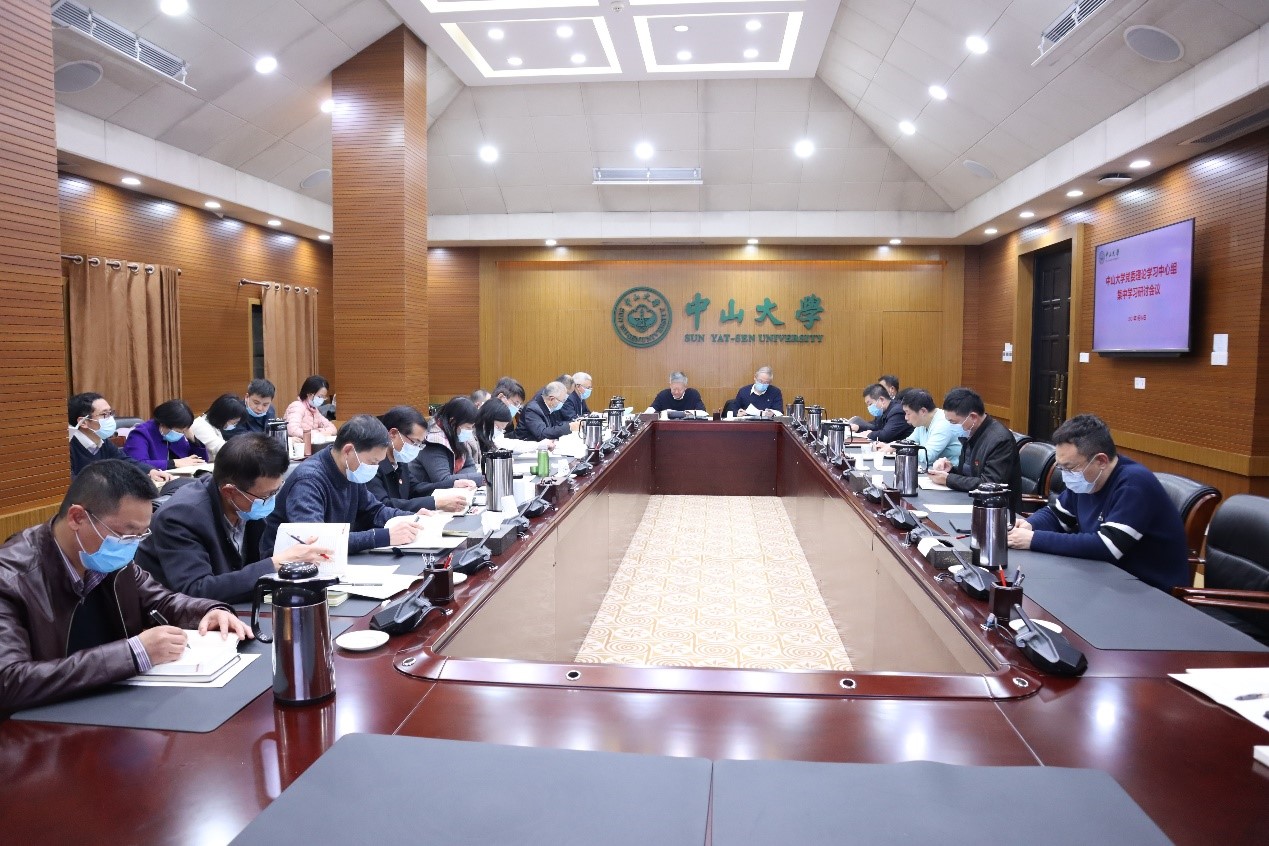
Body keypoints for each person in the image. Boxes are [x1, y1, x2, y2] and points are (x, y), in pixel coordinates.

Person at [0, 459, 248, 710]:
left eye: (141, 534)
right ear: (77, 517)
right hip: (41, 720)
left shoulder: (111, 561)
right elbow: (8, 681)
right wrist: (134, 653)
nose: (132, 545)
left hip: (112, 704)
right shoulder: (10, 578)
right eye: (126, 534)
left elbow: (161, 601)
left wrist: (208, 611)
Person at [135, 435, 333, 603]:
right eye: (266, 495)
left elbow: (256, 561)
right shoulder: (181, 517)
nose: (271, 501)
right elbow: (195, 590)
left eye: (276, 491)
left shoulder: (248, 502)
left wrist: (293, 555)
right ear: (230, 491)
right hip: (179, 622)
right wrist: (275, 563)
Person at [1007, 415, 1189, 592]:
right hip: (1101, 577)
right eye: (1061, 467)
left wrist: (1034, 539)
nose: (1065, 475)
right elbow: (1057, 515)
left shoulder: (1135, 484)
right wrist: (1030, 525)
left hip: (1148, 590)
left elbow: (1107, 546)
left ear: (1101, 461)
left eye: (1069, 468)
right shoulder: (1086, 481)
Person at [260, 415, 425, 556]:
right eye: (373, 462)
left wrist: (412, 519)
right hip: (286, 568)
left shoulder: (349, 470)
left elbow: (374, 511)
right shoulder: (308, 481)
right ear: (348, 451)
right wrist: (383, 536)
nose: (375, 468)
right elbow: (317, 540)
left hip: (328, 560)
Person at [927, 387, 1022, 514]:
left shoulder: (1000, 440)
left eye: (953, 422)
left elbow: (990, 483)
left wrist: (948, 479)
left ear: (973, 417)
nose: (951, 427)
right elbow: (970, 473)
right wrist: (951, 469)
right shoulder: (971, 433)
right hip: (969, 501)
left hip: (995, 510)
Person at [368, 406, 473, 512]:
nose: (416, 448)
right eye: (414, 442)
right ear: (393, 434)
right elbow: (383, 506)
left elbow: (415, 488)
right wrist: (435, 503)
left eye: (420, 444)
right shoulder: (372, 465)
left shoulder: (399, 461)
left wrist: (452, 484)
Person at [67, 392, 171, 484]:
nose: (111, 419)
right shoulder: (67, 449)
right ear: (84, 422)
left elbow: (124, 461)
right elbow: (71, 483)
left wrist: (150, 471)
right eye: (104, 414)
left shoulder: (102, 441)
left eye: (110, 413)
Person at [877, 389, 961, 466]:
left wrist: (898, 449)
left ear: (923, 411)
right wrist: (891, 445)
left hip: (950, 472)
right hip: (932, 469)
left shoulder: (943, 423)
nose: (906, 417)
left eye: (908, 413)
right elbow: (909, 442)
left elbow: (927, 456)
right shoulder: (922, 421)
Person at [417, 397, 486, 488]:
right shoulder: (433, 441)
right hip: (426, 494)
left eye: (472, 427)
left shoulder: (456, 434)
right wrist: (481, 478)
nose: (470, 431)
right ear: (452, 421)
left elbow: (470, 466)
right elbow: (443, 480)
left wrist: (456, 478)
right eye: (467, 427)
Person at [123, 399, 210, 471]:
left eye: (183, 431)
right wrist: (174, 463)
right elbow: (138, 464)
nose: (181, 434)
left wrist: (193, 440)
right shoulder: (140, 434)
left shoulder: (178, 435)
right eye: (178, 431)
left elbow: (200, 462)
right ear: (163, 424)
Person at [476, 398, 555, 455]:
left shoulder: (492, 432)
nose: (499, 431)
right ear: (488, 419)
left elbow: (509, 443)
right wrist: (539, 445)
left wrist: (539, 445)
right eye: (497, 427)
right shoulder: (475, 439)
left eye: (502, 429)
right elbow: (502, 444)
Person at [511, 381, 580, 440]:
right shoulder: (532, 409)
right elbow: (542, 433)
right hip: (525, 446)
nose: (563, 403)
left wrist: (571, 424)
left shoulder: (552, 406)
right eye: (562, 401)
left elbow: (557, 425)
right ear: (552, 399)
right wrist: (569, 427)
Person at [189, 393, 246, 460]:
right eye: (234, 422)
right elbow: (222, 449)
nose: (234, 425)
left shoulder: (214, 426)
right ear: (223, 416)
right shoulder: (200, 426)